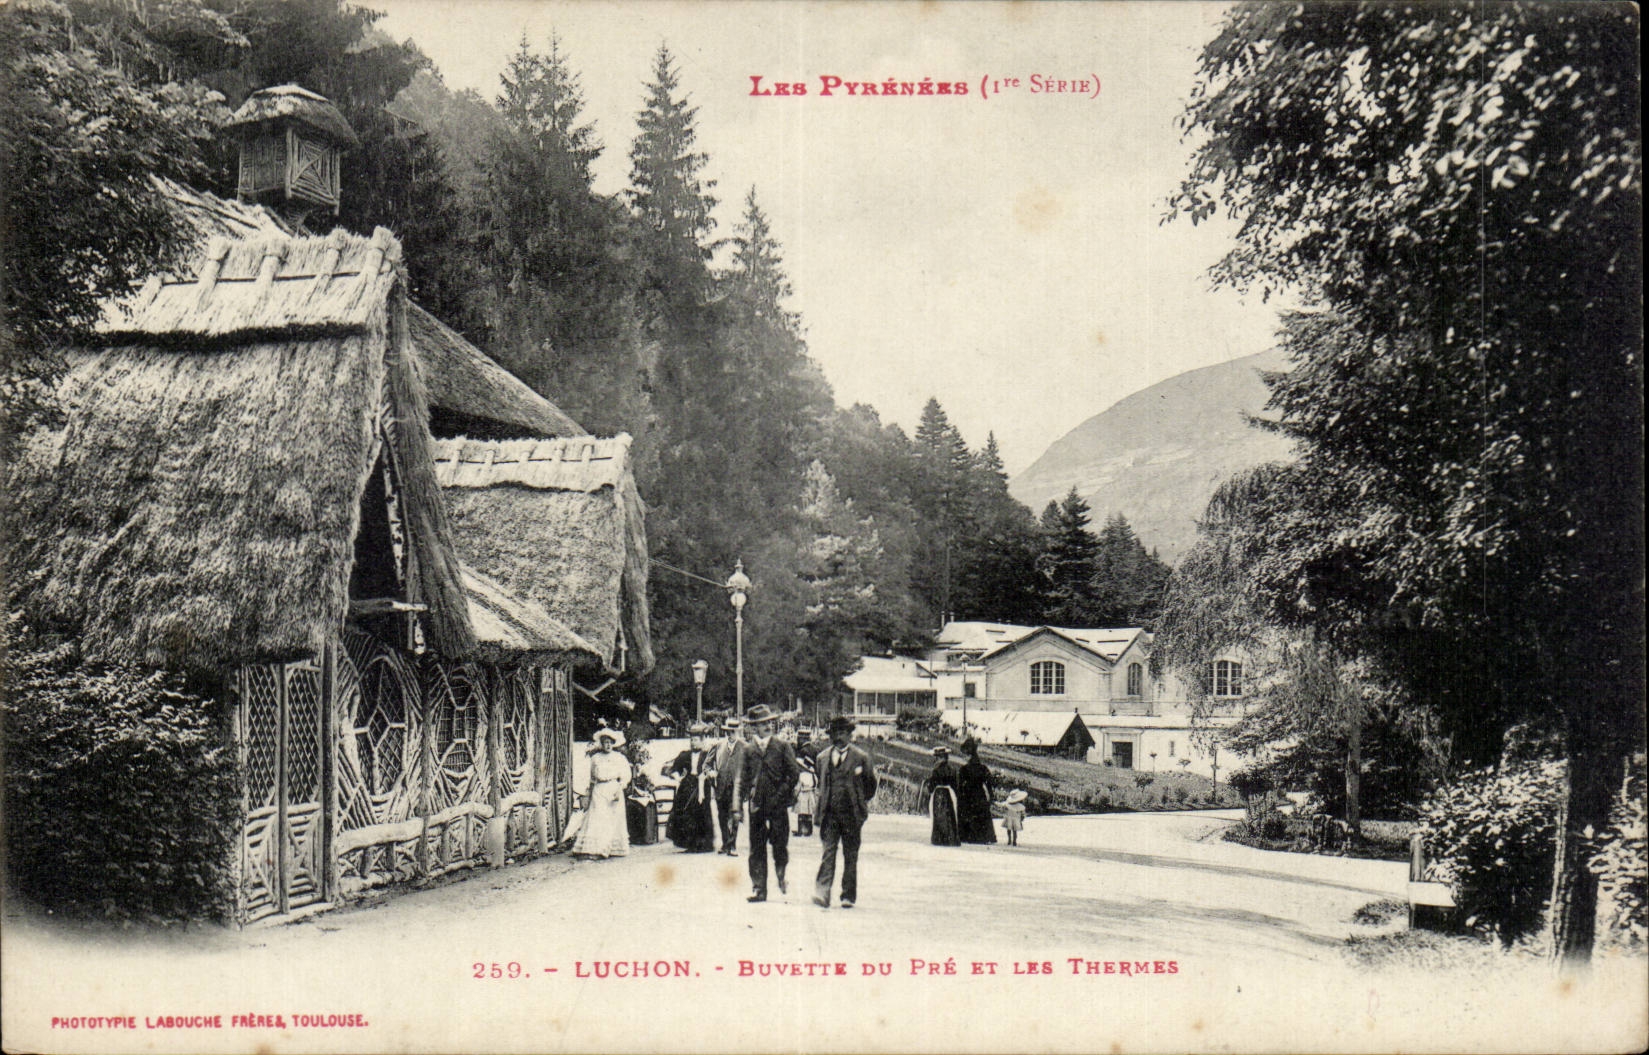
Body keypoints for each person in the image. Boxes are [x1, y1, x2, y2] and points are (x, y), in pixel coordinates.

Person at [812, 716, 878, 909]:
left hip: (851, 816)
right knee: (828, 853)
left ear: (850, 735)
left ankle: (848, 895)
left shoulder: (861, 758)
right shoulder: (822, 758)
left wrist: (858, 802)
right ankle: (822, 893)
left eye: (842, 733)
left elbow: (870, 786)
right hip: (829, 814)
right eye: (835, 733)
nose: (838, 737)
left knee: (850, 855)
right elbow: (821, 782)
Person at [738, 704, 800, 902]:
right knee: (756, 847)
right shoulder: (748, 750)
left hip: (778, 805)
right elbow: (742, 779)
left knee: (779, 843)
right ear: (754, 727)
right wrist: (736, 807)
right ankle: (759, 888)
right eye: (762, 723)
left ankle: (781, 874)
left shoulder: (782, 746)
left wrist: (781, 793)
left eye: (769, 722)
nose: (767, 726)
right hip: (756, 806)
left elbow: (794, 774)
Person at [573, 728, 631, 858]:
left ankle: (612, 849)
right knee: (597, 819)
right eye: (605, 742)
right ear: (601, 744)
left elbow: (626, 775)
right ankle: (595, 849)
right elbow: (591, 777)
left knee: (612, 820)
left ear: (614, 743)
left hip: (614, 790)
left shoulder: (619, 758)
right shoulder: (595, 758)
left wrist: (620, 788)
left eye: (610, 742)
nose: (608, 745)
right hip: (599, 791)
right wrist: (588, 793)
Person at [663, 722, 718, 852]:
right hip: (687, 785)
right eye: (691, 740)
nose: (693, 743)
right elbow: (672, 769)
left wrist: (710, 774)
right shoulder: (685, 755)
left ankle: (704, 844)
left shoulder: (707, 755)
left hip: (702, 785)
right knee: (687, 813)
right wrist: (677, 776)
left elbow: (714, 769)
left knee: (702, 813)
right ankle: (689, 844)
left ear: (702, 741)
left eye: (696, 740)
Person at [712, 716, 746, 856]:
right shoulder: (719, 746)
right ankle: (725, 843)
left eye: (733, 732)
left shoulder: (745, 747)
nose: (730, 734)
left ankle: (732, 845)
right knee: (722, 816)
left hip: (737, 788)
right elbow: (706, 765)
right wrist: (711, 772)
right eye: (728, 731)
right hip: (721, 786)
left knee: (735, 816)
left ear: (737, 732)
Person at [956, 738, 998, 844]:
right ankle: (982, 837)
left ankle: (967, 836)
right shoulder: (983, 768)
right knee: (981, 813)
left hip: (967, 794)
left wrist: (959, 795)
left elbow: (960, 785)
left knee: (967, 812)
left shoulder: (964, 769)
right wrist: (991, 797)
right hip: (979, 794)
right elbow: (990, 783)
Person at [921, 746, 961, 846]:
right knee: (949, 814)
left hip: (938, 793)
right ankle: (950, 838)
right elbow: (956, 785)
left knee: (939, 815)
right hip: (948, 793)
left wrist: (929, 786)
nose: (936, 759)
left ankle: (940, 839)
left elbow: (932, 784)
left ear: (941, 757)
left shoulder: (936, 770)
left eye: (937, 757)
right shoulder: (952, 769)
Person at [794, 754, 817, 836]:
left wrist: (795, 795)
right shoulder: (813, 775)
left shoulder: (802, 775)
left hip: (803, 794)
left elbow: (798, 786)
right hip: (810, 794)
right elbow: (815, 785)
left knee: (801, 813)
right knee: (809, 813)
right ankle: (809, 831)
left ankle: (800, 830)